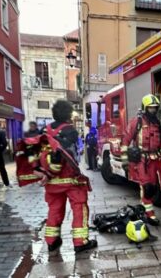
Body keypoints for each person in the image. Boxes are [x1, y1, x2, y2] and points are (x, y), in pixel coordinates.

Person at [41, 100, 97, 253]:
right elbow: (73, 153)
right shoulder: (70, 130)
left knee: (54, 209)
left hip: (52, 179)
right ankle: (80, 242)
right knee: (79, 208)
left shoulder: (45, 130)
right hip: (70, 178)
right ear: (68, 114)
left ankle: (52, 241)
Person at [121, 94, 161, 226]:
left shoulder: (158, 125)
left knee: (152, 188)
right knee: (146, 187)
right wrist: (125, 160)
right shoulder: (137, 122)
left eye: (155, 108)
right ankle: (149, 214)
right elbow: (125, 140)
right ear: (145, 108)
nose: (153, 110)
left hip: (154, 160)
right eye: (150, 108)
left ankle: (144, 209)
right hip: (141, 160)